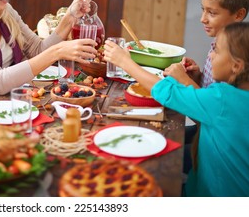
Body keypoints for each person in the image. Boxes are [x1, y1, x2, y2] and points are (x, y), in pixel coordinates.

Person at [103, 22, 249, 196]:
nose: (210, 56)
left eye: (216, 50)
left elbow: (165, 91)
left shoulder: (222, 99)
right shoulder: (233, 99)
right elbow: (206, 117)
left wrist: (125, 62)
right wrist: (190, 81)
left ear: (236, 66)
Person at [165, 0, 249, 88]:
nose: (202, 19)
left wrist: (184, 80)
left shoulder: (236, 55)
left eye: (212, 13)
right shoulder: (218, 41)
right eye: (203, 9)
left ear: (239, 15)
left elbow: (214, 103)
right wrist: (199, 77)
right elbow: (210, 87)